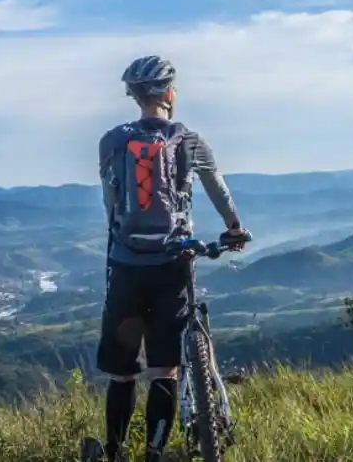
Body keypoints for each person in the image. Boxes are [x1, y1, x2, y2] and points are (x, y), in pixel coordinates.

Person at [80, 55, 249, 462]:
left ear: (134, 96)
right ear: (170, 93)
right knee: (164, 369)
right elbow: (217, 188)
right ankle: (154, 452)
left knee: (122, 372)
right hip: (173, 265)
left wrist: (121, 240)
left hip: (125, 265)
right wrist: (233, 227)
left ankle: (116, 453)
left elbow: (110, 200)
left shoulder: (111, 141)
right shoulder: (188, 139)